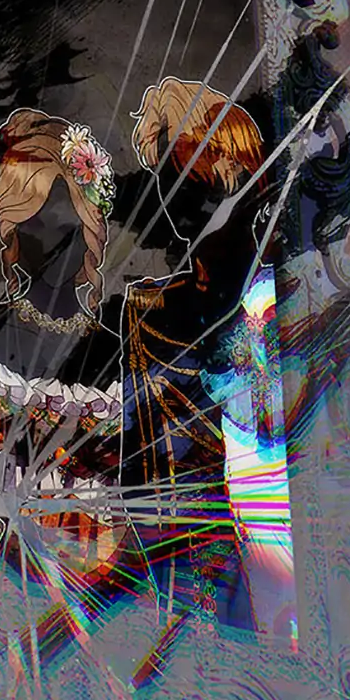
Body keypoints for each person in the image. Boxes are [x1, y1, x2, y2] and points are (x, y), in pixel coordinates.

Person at [121, 77, 266, 656]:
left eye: (190, 181)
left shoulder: (268, 297)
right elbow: (135, 446)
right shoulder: (149, 305)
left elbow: (270, 432)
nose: (174, 200)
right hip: (152, 562)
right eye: (167, 179)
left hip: (233, 567)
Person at [0, 109, 125, 568]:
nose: (54, 237)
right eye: (35, 218)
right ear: (14, 227)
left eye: (66, 218)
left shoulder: (115, 350)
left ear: (90, 225)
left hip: (95, 579)